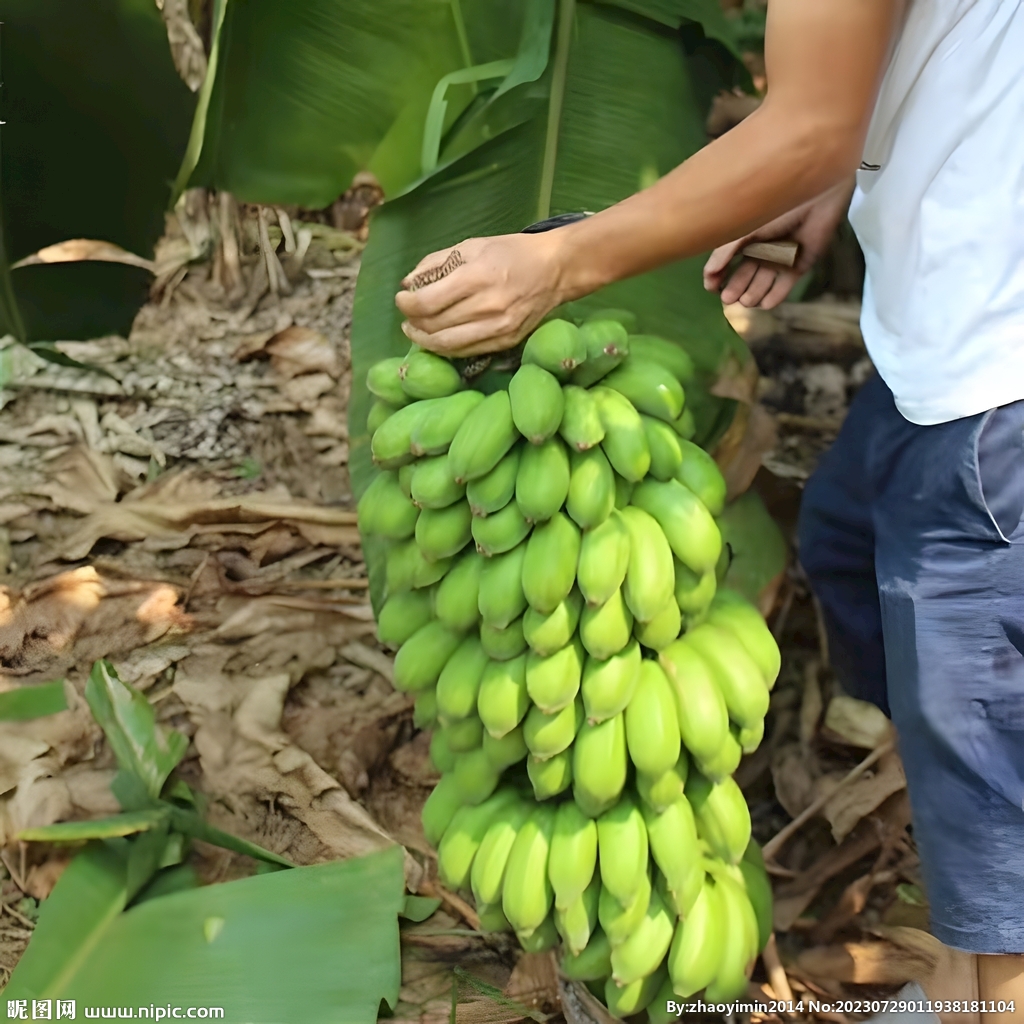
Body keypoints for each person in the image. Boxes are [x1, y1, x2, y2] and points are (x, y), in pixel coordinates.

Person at [395, 0, 1024, 1020]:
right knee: (846, 532)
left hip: (996, 386)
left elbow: (812, 117)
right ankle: (963, 978)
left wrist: (560, 261)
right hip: (955, 334)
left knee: (983, 739)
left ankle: (997, 988)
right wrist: (828, 180)